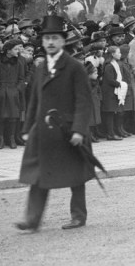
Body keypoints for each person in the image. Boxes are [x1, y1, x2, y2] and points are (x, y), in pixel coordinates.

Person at [15, 15, 97, 232]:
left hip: (68, 130)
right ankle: (32, 219)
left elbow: (84, 101)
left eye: (54, 38)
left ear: (62, 41)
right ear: (42, 42)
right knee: (38, 175)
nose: (50, 42)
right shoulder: (41, 67)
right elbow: (35, 100)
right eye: (47, 39)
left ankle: (78, 216)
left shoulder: (74, 67)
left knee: (75, 175)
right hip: (43, 132)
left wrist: (79, 129)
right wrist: (27, 129)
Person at [0, 37, 28, 149]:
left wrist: (17, 89)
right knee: (0, 116)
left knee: (13, 116)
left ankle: (11, 138)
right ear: (8, 51)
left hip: (14, 92)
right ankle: (0, 138)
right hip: (1, 92)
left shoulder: (19, 62)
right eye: (16, 49)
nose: (18, 51)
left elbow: (22, 78)